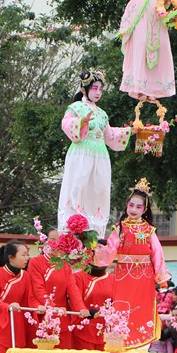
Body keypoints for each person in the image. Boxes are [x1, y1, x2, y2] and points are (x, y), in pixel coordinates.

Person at [95, 178, 169, 348]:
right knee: (122, 306)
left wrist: (161, 277)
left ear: (145, 209)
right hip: (123, 276)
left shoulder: (149, 230)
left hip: (144, 277)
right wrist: (96, 250)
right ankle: (121, 341)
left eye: (139, 207)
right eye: (131, 205)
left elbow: (157, 253)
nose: (134, 210)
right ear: (126, 206)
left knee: (142, 308)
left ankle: (141, 344)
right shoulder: (119, 227)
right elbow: (110, 251)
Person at [58, 70, 132, 235]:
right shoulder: (76, 107)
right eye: (94, 88)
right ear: (84, 89)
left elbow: (110, 136)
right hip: (81, 153)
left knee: (100, 190)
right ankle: (73, 228)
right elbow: (66, 123)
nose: (98, 92)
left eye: (100, 89)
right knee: (78, 186)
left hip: (100, 155)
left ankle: (96, 231)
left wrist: (131, 131)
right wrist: (81, 122)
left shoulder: (102, 114)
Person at [72, 265, 115, 351]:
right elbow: (75, 300)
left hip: (107, 333)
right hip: (83, 330)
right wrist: (84, 311)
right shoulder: (78, 277)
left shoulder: (113, 279)